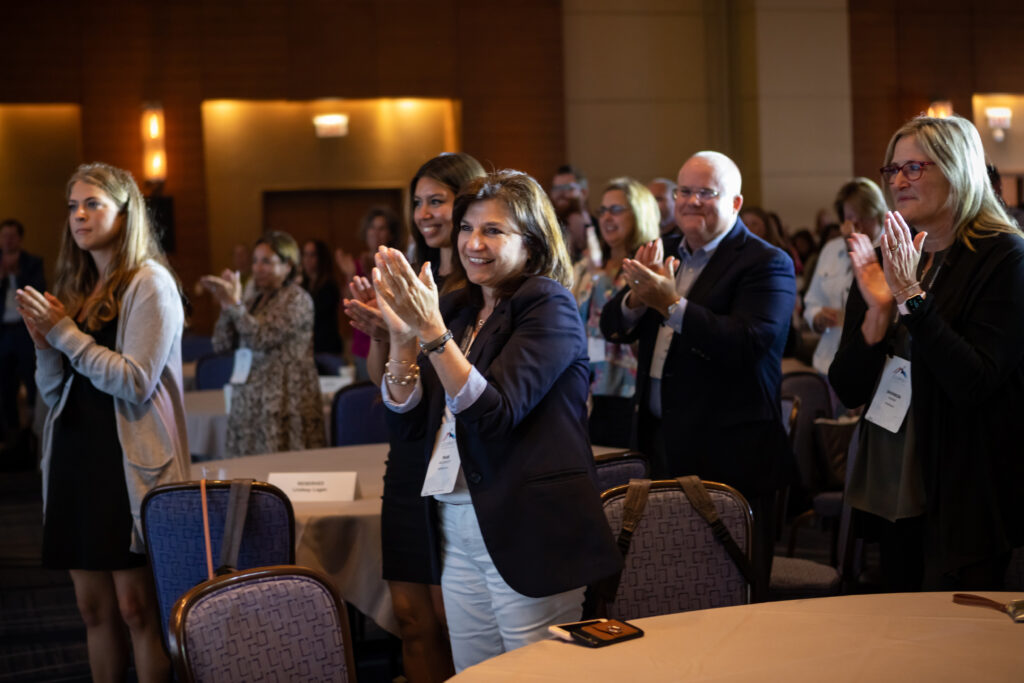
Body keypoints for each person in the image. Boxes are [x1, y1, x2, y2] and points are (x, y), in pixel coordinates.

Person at [374, 169, 621, 672]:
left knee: (534, 673)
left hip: (528, 524)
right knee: (476, 672)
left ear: (530, 243)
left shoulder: (546, 305)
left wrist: (431, 333)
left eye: (493, 230)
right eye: (466, 228)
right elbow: (410, 421)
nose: (473, 243)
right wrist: (403, 338)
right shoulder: (461, 310)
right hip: (457, 517)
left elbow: (495, 412)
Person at [829, 115, 1024, 591]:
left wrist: (911, 298)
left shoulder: (1005, 258)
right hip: (893, 478)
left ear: (958, 169)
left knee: (960, 642)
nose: (897, 181)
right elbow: (849, 388)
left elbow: (974, 381)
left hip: (968, 486)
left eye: (914, 168)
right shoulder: (885, 255)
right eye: (892, 169)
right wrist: (877, 314)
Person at [15, 162, 189, 682]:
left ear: (125, 211)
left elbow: (134, 380)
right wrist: (45, 345)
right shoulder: (79, 284)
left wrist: (65, 334)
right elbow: (55, 391)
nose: (79, 215)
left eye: (93, 203)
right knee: (92, 610)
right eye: (73, 205)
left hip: (127, 462)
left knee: (137, 609)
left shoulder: (150, 283)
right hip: (74, 455)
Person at [600, 151, 796, 598]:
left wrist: (669, 305)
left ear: (735, 203)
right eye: (683, 191)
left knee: (730, 585)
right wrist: (636, 299)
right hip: (661, 440)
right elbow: (612, 324)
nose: (691, 201)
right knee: (668, 579)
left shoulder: (766, 262)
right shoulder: (663, 248)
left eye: (705, 192)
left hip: (730, 450)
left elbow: (747, 342)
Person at [343, 152, 486, 683]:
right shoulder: (407, 278)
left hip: (455, 461)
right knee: (411, 619)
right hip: (408, 458)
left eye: (438, 200)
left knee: (454, 618)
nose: (425, 213)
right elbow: (386, 388)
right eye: (419, 202)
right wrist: (384, 333)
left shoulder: (476, 288)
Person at [202, 231, 325, 456]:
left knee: (282, 471)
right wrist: (226, 305)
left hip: (284, 401)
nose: (257, 268)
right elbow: (221, 344)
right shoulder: (253, 301)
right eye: (255, 261)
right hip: (250, 404)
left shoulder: (297, 300)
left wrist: (234, 306)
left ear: (288, 265)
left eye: (266, 261)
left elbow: (261, 337)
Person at [576, 178, 659, 448]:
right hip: (589, 389)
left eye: (616, 210)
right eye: (603, 211)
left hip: (629, 389)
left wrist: (600, 277)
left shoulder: (647, 269)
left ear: (638, 214)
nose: (607, 218)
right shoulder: (586, 268)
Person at [803, 178, 886, 376]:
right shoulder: (832, 250)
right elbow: (811, 302)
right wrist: (818, 318)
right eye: (850, 218)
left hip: (874, 365)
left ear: (878, 215)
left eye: (863, 217)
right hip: (828, 360)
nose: (855, 226)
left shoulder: (889, 251)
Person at [336, 206, 404, 380]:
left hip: (391, 341)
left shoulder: (397, 263)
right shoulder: (356, 264)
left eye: (382, 228)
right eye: (372, 228)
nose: (376, 233)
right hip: (362, 344)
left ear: (391, 234)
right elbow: (347, 304)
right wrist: (350, 274)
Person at [0, 218, 46, 452]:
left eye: (12, 235)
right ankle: (11, 436)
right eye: (4, 235)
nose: (7, 240)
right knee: (5, 384)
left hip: (25, 330)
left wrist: (17, 274)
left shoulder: (32, 263)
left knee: (32, 378)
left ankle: (32, 432)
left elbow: (39, 292)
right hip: (3, 332)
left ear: (19, 238)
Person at [300, 239, 344, 356]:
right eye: (305, 255)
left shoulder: (329, 285)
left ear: (321, 258)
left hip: (326, 348)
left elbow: (313, 313)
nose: (307, 260)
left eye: (312, 255)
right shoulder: (302, 284)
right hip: (306, 347)